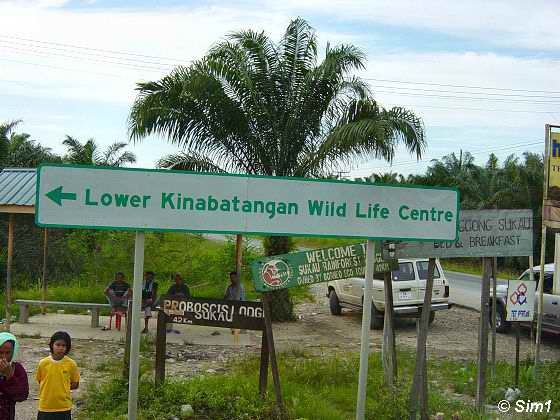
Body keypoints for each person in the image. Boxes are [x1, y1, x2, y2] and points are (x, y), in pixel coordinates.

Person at [36, 331, 80, 420]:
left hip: (63, 407)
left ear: (67, 347)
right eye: (58, 345)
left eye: (63, 345)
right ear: (52, 345)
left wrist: (62, 386)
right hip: (45, 406)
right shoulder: (43, 363)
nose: (60, 348)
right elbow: (40, 380)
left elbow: (75, 384)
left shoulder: (71, 364)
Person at [0, 332, 29, 420]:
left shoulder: (17, 369)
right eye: (0, 352)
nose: (3, 357)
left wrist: (9, 376)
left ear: (13, 352)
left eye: (8, 353)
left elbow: (22, 395)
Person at [224, 271, 245, 344]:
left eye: (233, 277)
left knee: (237, 317)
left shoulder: (240, 287)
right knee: (230, 316)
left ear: (237, 278)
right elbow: (226, 296)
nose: (232, 279)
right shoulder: (229, 287)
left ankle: (237, 331)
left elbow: (242, 298)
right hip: (230, 305)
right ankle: (233, 330)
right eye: (231, 278)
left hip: (237, 306)